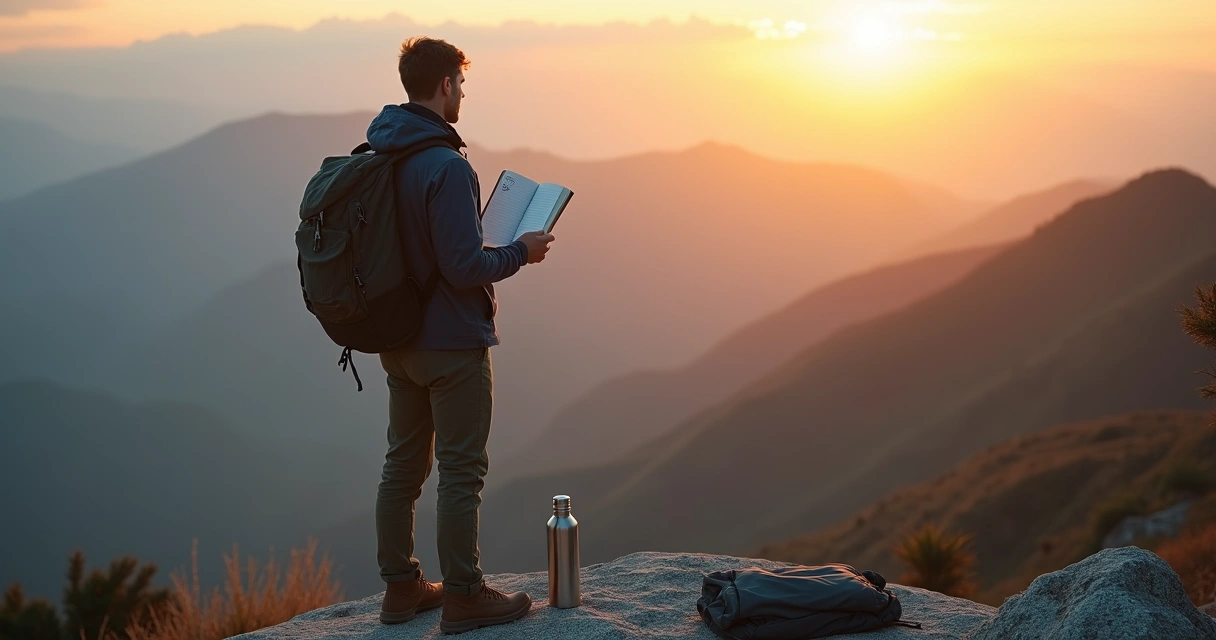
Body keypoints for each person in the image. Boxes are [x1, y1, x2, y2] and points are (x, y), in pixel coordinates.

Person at [364, 36, 555, 634]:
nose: (464, 93)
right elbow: (464, 267)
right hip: (451, 343)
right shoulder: (446, 165)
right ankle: (465, 596)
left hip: (397, 341)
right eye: (462, 83)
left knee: (401, 467)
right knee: (460, 471)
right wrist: (521, 251)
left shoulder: (382, 156)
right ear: (445, 84)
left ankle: (401, 588)